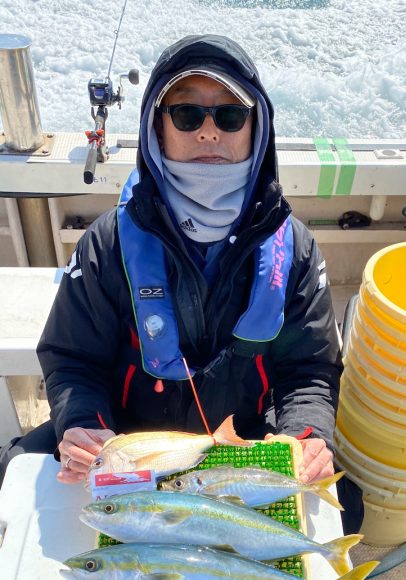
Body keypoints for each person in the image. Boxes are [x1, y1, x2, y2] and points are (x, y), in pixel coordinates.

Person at [0, 34, 363, 530]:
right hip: (128, 441)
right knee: (15, 469)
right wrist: (84, 425)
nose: (209, 133)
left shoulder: (295, 248)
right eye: (187, 115)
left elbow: (309, 371)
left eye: (230, 115)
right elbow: (73, 359)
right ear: (158, 128)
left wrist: (305, 434)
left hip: (243, 440)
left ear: (257, 128)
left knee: (347, 505)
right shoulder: (107, 243)